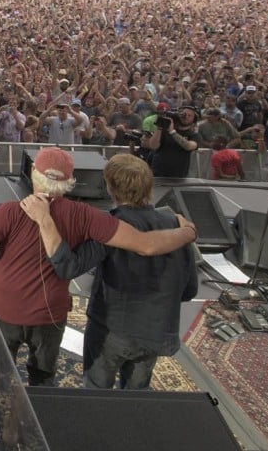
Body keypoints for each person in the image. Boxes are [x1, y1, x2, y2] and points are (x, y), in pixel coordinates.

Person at [0, 146, 198, 387]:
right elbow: (147, 246)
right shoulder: (88, 216)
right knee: (43, 378)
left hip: (6, 312)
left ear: (33, 173)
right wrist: (187, 233)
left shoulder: (10, 211)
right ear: (71, 181)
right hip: (50, 316)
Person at [35, 154, 199, 390]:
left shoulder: (110, 226)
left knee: (97, 393)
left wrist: (45, 222)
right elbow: (189, 290)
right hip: (156, 331)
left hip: (112, 332)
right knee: (135, 399)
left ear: (111, 187)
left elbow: (68, 267)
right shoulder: (178, 226)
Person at [141, 105, 200, 178]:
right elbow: (153, 146)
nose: (186, 116)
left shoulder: (193, 135)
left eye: (189, 115)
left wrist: (172, 132)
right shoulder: (166, 130)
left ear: (194, 120)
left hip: (178, 174)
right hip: (158, 171)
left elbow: (188, 146)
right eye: (184, 114)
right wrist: (160, 127)